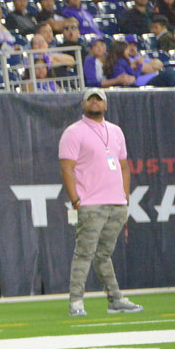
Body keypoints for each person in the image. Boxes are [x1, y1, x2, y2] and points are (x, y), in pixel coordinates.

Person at [60, 89, 143, 317]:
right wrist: (76, 199)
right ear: (83, 104)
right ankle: (76, 301)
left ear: (106, 105)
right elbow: (67, 168)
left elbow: (123, 166)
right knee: (84, 253)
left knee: (103, 254)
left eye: (99, 99)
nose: (95, 102)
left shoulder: (115, 131)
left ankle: (115, 299)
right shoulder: (73, 132)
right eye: (91, 99)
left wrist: (124, 197)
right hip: (91, 203)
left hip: (116, 203)